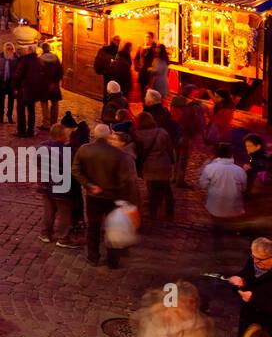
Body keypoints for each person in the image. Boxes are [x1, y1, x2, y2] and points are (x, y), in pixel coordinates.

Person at [72, 123, 140, 268]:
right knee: (113, 229)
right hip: (113, 197)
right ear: (108, 135)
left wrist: (89, 185)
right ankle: (112, 260)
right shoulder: (119, 154)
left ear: (94, 134)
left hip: (93, 196)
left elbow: (76, 170)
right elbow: (126, 180)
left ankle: (93, 256)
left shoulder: (85, 150)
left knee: (93, 227)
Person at [39, 124, 77, 247]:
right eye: (66, 135)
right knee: (64, 212)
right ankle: (63, 238)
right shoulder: (66, 151)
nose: (67, 137)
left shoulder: (42, 146)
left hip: (45, 183)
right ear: (60, 136)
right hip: (61, 185)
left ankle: (45, 233)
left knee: (48, 209)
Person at [134, 110, 176, 223]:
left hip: (149, 165)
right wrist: (172, 161)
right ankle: (170, 211)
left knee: (152, 190)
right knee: (167, 187)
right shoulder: (162, 132)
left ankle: (153, 213)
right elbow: (169, 148)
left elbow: (138, 153)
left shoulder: (137, 135)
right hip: (164, 164)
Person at [200, 142, 248, 241]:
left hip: (215, 208)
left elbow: (203, 185)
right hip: (234, 209)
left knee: (217, 232)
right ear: (231, 154)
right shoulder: (239, 171)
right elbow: (244, 189)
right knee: (231, 234)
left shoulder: (210, 168)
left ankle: (217, 246)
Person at [13, 46, 46, 138]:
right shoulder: (39, 61)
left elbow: (19, 75)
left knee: (21, 110)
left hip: (24, 90)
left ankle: (21, 131)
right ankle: (30, 130)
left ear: (28, 52)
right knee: (31, 111)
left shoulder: (24, 61)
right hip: (34, 90)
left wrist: (15, 86)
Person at [40, 42, 63, 129]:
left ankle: (46, 123)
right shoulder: (56, 58)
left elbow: (39, 73)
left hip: (44, 85)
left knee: (44, 104)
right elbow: (60, 72)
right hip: (54, 85)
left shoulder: (40, 59)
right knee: (55, 103)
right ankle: (54, 122)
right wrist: (55, 82)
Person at [93, 36, 120, 101]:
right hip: (110, 75)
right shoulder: (106, 50)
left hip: (111, 75)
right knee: (109, 92)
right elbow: (99, 63)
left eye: (119, 40)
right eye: (117, 40)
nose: (118, 42)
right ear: (113, 40)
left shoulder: (117, 51)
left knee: (110, 92)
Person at [0, 41, 17, 126]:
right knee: (1, 100)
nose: (10, 50)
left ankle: (9, 116)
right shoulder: (0, 56)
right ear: (5, 49)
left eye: (11, 49)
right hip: (2, 81)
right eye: (8, 48)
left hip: (11, 82)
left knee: (11, 101)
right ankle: (1, 116)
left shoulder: (15, 58)